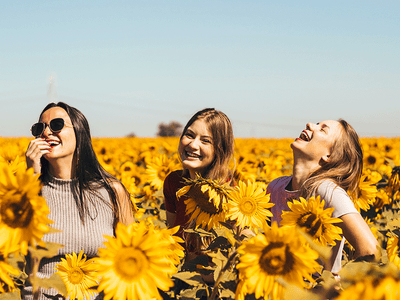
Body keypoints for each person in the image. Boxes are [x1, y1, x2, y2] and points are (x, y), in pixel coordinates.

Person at [24, 102, 134, 299]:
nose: (47, 133)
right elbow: (13, 246)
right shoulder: (27, 190)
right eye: (40, 128)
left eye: (57, 125)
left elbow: (131, 258)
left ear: (80, 133)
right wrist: (31, 178)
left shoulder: (112, 192)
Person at [267, 119, 378, 274]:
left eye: (322, 129)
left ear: (329, 155)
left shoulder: (326, 191)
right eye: (316, 124)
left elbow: (370, 249)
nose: (309, 125)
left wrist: (343, 287)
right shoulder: (275, 187)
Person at [163, 108, 235, 242]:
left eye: (205, 141)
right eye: (189, 135)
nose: (193, 144)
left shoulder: (230, 190)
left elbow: (242, 237)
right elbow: (171, 236)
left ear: (219, 150)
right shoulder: (174, 182)